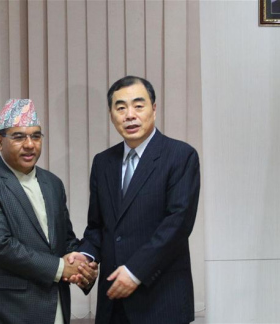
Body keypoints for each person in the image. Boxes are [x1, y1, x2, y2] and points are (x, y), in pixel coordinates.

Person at [75, 76, 201, 324]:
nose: (129, 115)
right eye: (120, 107)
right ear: (112, 115)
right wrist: (85, 256)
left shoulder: (180, 156)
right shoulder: (103, 162)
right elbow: (98, 226)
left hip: (161, 301)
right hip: (114, 302)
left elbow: (177, 225)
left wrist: (135, 272)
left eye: (138, 105)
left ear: (154, 109)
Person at [0, 99, 97, 324]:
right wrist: (62, 267)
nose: (29, 144)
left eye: (36, 136)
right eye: (18, 137)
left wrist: (84, 267)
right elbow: (2, 247)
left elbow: (65, 240)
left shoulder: (52, 183)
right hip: (7, 312)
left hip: (56, 310)